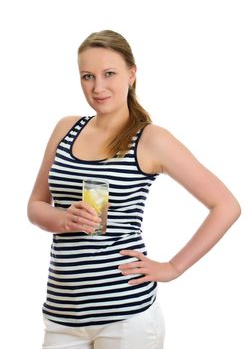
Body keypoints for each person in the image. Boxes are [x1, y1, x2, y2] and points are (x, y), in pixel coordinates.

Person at [27, 29, 241, 349]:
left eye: (109, 73)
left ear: (131, 74)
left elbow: (226, 205)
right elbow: (35, 205)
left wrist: (172, 268)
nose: (98, 87)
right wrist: (64, 220)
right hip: (62, 315)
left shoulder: (150, 139)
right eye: (88, 76)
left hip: (126, 318)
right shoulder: (66, 128)